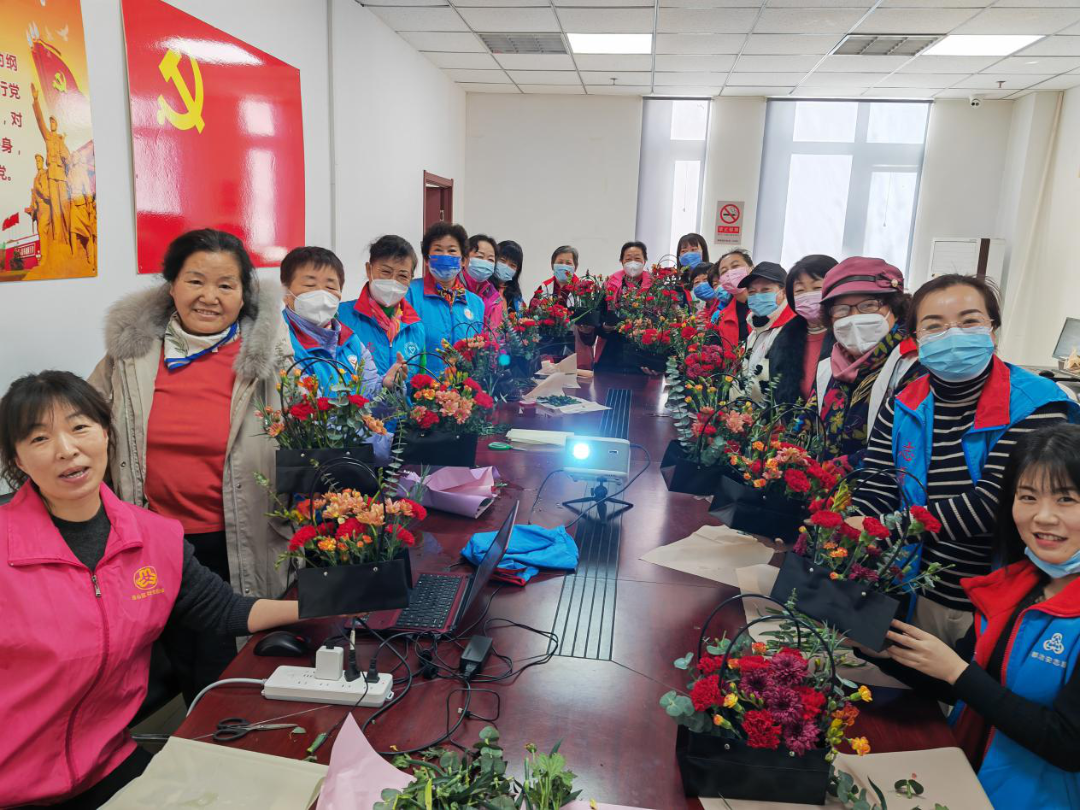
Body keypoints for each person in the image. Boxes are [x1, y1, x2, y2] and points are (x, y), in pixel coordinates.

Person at [0, 371, 303, 809]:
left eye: (79, 427)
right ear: (18, 459)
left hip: (105, 763)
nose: (66, 449)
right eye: (40, 438)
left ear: (106, 432)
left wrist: (330, 602)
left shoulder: (154, 536)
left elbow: (223, 610)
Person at [89, 228, 293, 703]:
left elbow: (309, 438)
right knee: (188, 669)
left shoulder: (272, 360)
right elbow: (88, 422)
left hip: (243, 540)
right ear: (171, 285)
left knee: (248, 668)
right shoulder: (131, 355)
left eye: (225, 285)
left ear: (244, 294)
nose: (209, 297)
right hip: (156, 545)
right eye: (195, 281)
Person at [850, 273, 1079, 644]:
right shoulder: (904, 403)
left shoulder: (1037, 404)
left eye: (969, 321)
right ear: (916, 339)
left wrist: (884, 527)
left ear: (993, 329)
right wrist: (849, 526)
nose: (952, 334)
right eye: (934, 326)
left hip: (994, 597)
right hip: (911, 586)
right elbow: (878, 481)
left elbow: (992, 503)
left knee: (971, 678)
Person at [878, 424, 1080, 808]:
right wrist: (884, 650)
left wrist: (958, 672)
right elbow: (965, 686)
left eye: (1066, 499)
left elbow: (1069, 744)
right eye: (1028, 496)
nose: (1043, 517)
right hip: (968, 784)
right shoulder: (1015, 587)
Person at [809, 257, 922, 464]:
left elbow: (906, 445)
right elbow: (806, 426)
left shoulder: (913, 365)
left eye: (868, 305)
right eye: (842, 309)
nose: (854, 317)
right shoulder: (828, 368)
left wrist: (831, 472)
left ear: (894, 307)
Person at [280, 245, 386, 396]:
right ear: (285, 292)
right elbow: (295, 401)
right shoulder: (279, 342)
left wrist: (388, 386)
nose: (321, 294)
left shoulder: (350, 340)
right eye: (310, 285)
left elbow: (371, 395)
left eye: (330, 287)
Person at [338, 235, 424, 380]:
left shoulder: (416, 327)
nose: (393, 281)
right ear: (369, 270)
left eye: (402, 276)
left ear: (411, 279)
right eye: (385, 272)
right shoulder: (341, 317)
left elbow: (419, 384)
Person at [405, 222, 484, 377]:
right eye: (438, 250)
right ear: (427, 259)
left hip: (462, 387)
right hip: (421, 388)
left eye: (452, 250)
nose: (445, 256)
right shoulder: (410, 294)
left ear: (463, 260)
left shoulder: (476, 303)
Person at [768, 254, 837, 406]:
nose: (808, 296)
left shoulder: (847, 338)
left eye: (817, 287)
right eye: (800, 290)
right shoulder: (783, 340)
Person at [737, 261, 796, 403]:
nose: (757, 296)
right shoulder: (756, 327)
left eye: (765, 290)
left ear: (783, 292)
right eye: (752, 292)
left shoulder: (790, 330)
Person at [594, 241, 652, 372]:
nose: (633, 262)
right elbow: (597, 316)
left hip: (642, 354)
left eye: (637, 258)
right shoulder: (609, 284)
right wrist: (605, 327)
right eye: (628, 259)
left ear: (645, 261)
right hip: (611, 352)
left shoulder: (654, 286)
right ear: (621, 261)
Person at [705, 248, 753, 351]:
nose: (730, 274)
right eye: (724, 271)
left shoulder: (766, 305)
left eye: (735, 266)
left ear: (751, 268)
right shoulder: (722, 317)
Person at [462, 233, 505, 332]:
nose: (485, 263)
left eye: (490, 259)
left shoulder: (494, 298)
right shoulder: (452, 288)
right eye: (480, 257)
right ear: (464, 259)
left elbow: (495, 336)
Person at [494, 239, 526, 315]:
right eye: (502, 261)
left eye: (512, 265)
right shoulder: (484, 289)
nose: (506, 266)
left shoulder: (516, 297)